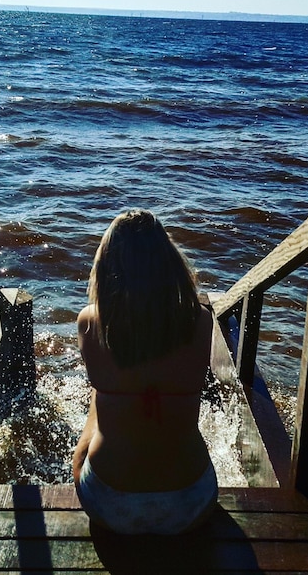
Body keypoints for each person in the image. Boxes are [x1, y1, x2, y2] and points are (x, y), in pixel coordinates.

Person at [73, 209, 217, 535]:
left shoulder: (91, 322)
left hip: (109, 504)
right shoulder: (201, 320)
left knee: (98, 403)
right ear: (169, 262)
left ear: (106, 265)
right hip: (191, 502)